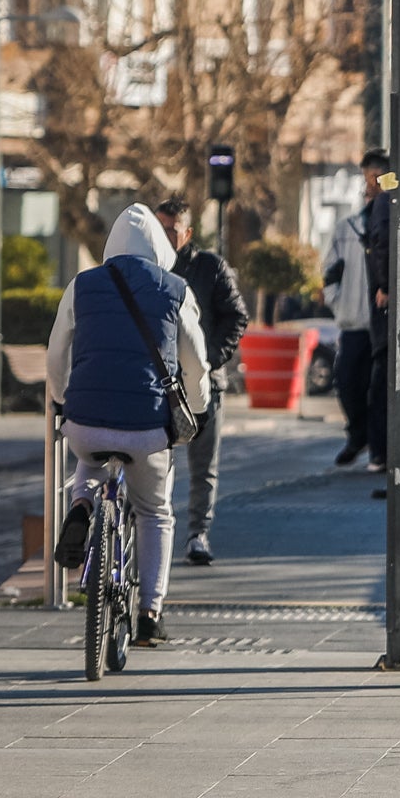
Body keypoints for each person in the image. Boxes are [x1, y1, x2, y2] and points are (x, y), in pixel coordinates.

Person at [45, 203, 210, 648]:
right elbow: (196, 363)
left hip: (85, 420)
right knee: (154, 511)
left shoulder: (81, 285)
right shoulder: (176, 289)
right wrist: (197, 407)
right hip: (147, 427)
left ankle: (82, 505)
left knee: (90, 455)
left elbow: (56, 354)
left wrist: (62, 399)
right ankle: (150, 615)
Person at [151, 198, 250, 567]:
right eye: (158, 228)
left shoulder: (210, 267)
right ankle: (151, 533)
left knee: (202, 464)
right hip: (157, 382)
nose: (163, 236)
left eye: (171, 229)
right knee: (152, 462)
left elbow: (236, 316)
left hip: (206, 382)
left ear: (187, 232)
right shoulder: (147, 267)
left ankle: (198, 533)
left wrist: (208, 360)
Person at [322, 150, 395, 481]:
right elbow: (331, 272)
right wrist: (338, 304)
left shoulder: (391, 213)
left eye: (376, 178)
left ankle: (377, 446)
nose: (371, 185)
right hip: (354, 320)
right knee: (348, 380)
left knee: (378, 389)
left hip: (380, 319)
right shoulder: (347, 227)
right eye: (367, 179)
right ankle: (358, 434)